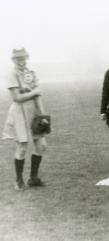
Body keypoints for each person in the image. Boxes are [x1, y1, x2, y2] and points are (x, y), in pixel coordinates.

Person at [2, 47, 48, 190]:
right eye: (18, 58)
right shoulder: (11, 74)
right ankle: (18, 181)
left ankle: (33, 178)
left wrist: (42, 115)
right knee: (22, 147)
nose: (21, 61)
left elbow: (38, 95)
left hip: (33, 112)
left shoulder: (31, 73)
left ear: (26, 58)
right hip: (19, 113)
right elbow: (16, 97)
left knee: (41, 145)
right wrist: (34, 92)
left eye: (23, 58)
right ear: (13, 60)